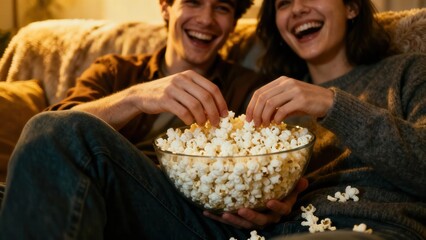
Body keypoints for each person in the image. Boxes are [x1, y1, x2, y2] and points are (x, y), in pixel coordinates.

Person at [0, 0, 308, 239]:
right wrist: (135, 98)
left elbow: (276, 166)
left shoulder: (249, 88)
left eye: (222, 8)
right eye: (192, 2)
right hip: (94, 196)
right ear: (165, 7)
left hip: (183, 218)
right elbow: (51, 136)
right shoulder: (115, 71)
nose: (206, 19)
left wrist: (272, 205)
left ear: (233, 23)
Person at [243, 0, 426, 239]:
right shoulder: (267, 101)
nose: (297, 9)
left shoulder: (408, 70)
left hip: (370, 228)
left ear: (351, 8)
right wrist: (255, 208)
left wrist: (332, 104)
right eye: (284, 3)